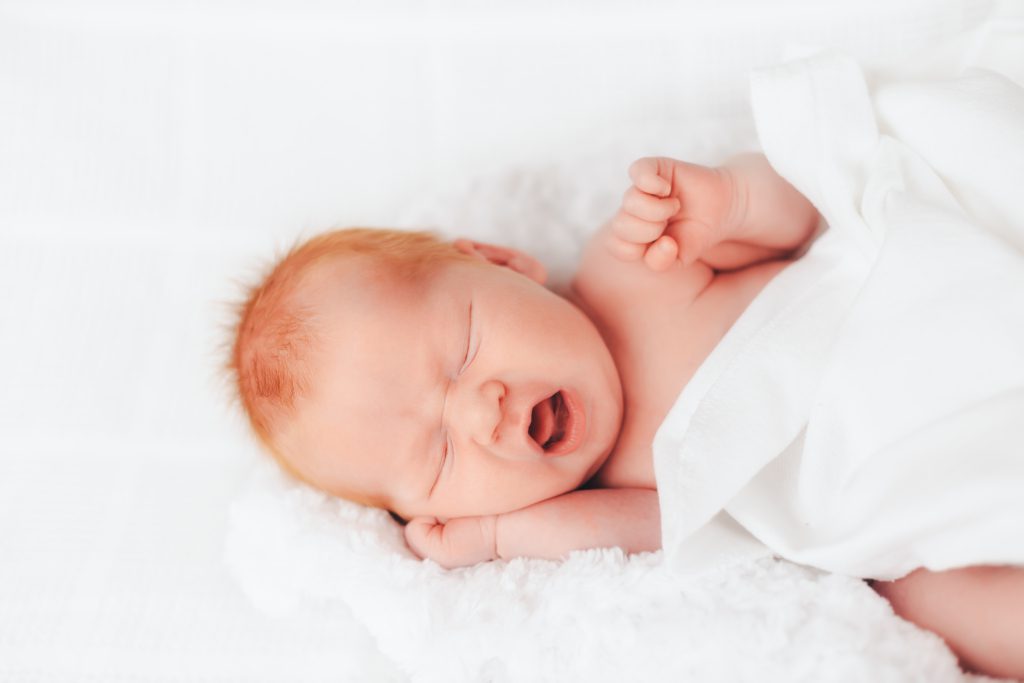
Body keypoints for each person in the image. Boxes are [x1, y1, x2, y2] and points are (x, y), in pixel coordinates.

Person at [227, 154, 1023, 678]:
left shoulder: (632, 268)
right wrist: (500, 537)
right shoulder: (596, 496)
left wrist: (734, 201)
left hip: (919, 340)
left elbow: (805, 214)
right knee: (925, 603)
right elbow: (662, 531)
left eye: (464, 349)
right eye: (438, 453)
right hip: (888, 503)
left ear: (504, 264)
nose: (484, 410)